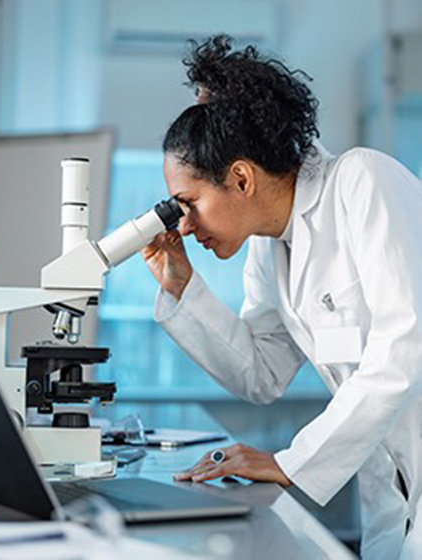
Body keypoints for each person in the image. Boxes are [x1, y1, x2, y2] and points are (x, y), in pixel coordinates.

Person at [141, 36, 422, 559]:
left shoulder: (363, 181)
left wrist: (291, 462)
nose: (183, 223)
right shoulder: (270, 247)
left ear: (241, 177)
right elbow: (262, 374)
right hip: (391, 503)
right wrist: (181, 287)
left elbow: (404, 350)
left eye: (189, 202)